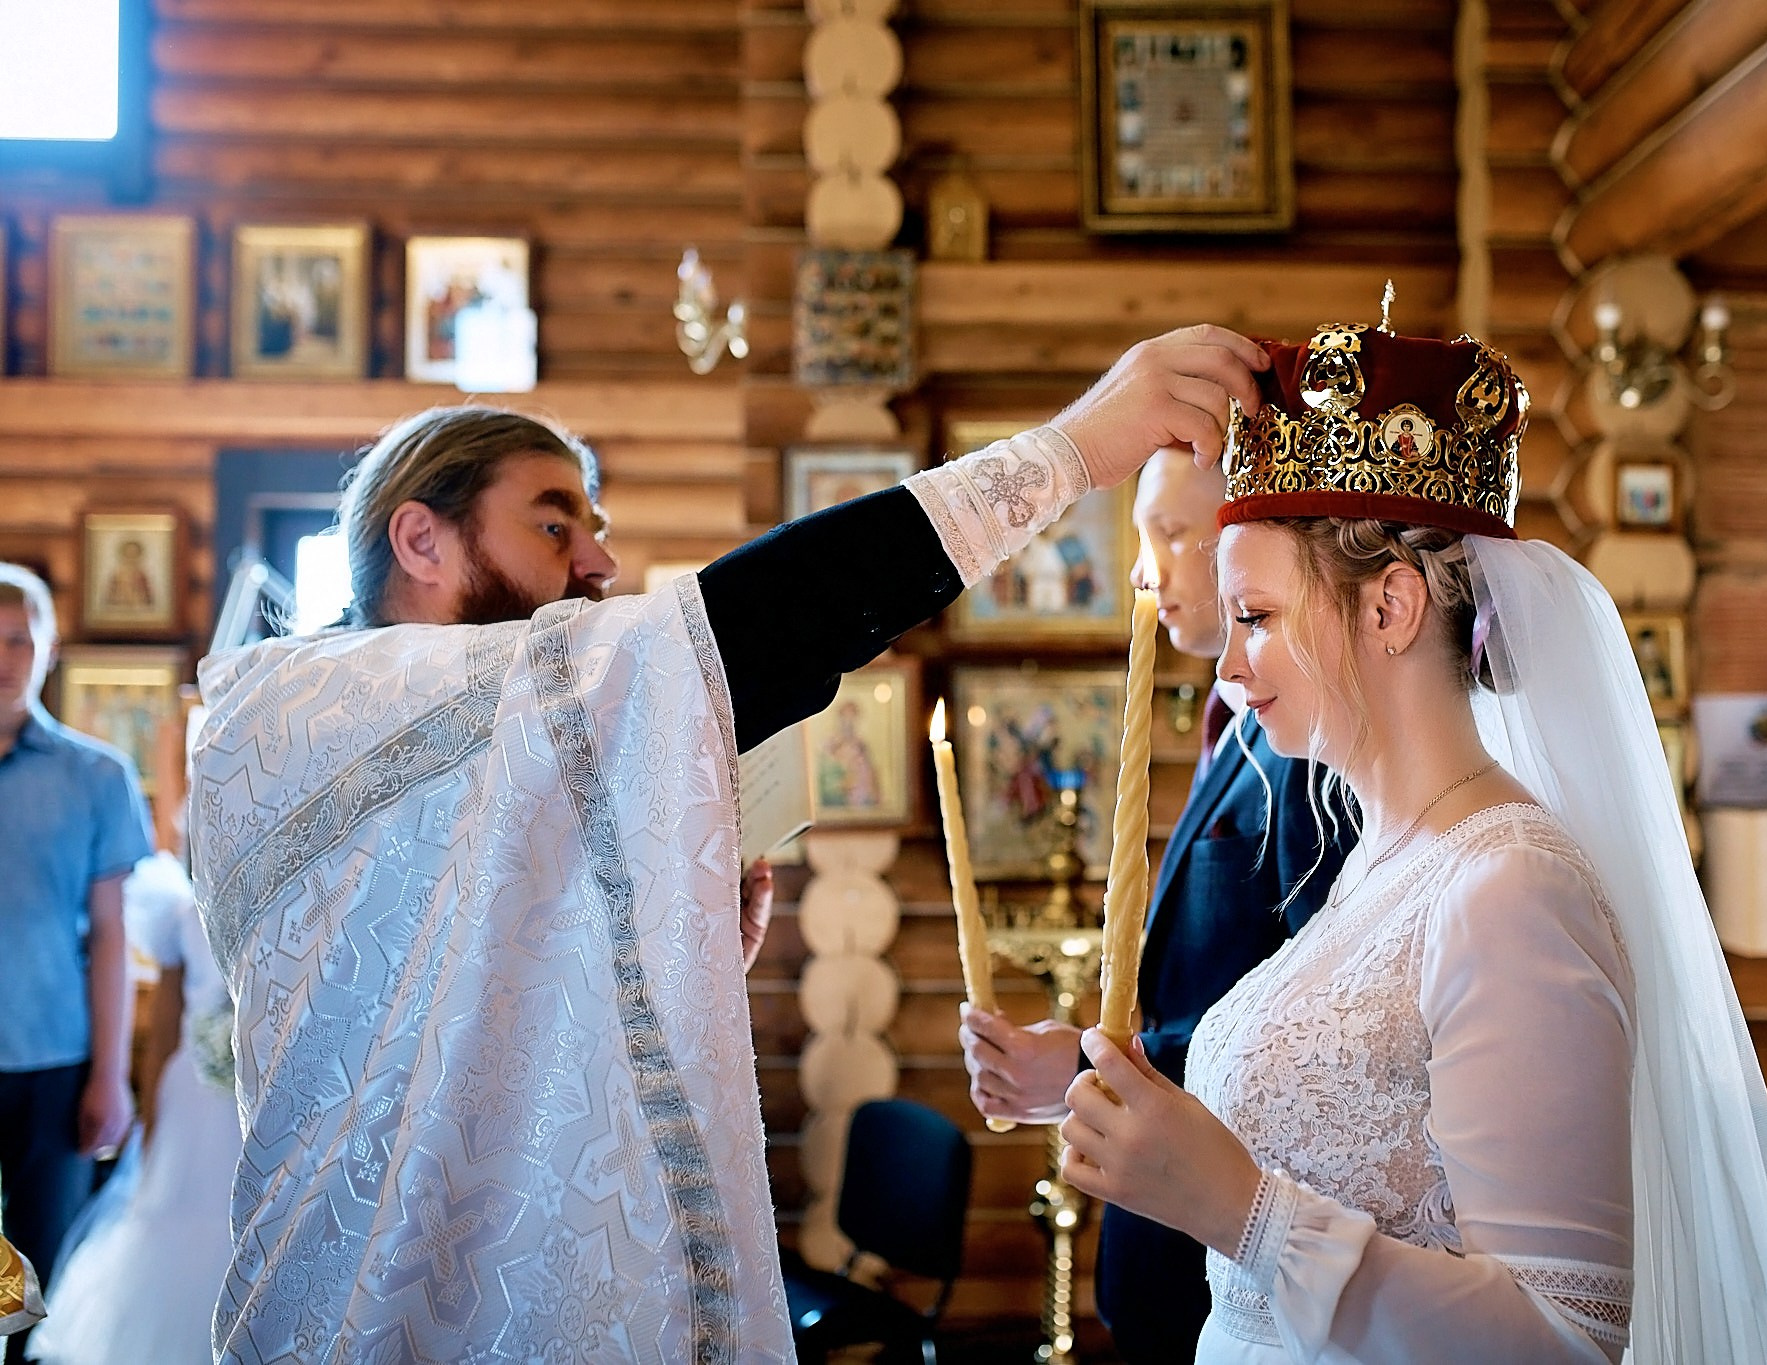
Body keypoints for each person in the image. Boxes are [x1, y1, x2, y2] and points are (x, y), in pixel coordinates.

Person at [187, 326, 1270, 1364]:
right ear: (420, 537)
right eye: (554, 523)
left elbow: (475, 1017)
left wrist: (678, 947)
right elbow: (768, 620)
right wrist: (1076, 447)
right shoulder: (298, 707)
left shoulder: (487, 751)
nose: (599, 560)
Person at [1054, 323, 1767, 1363]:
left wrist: (1237, 1210)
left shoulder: (1510, 889)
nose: (1226, 671)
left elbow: (1564, 1339)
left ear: (1388, 603)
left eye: (1254, 616)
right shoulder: (1377, 864)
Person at [959, 448, 1352, 1363]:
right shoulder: (1238, 727)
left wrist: (1099, 1068)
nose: (1143, 569)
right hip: (1169, 1246)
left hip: (1231, 1246)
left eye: (1173, 533)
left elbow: (1320, 1011)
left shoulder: (1308, 757)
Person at [0, 566, 153, 1365]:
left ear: (49, 649)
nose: (4, 658)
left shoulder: (97, 776)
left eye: (20, 639)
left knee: (32, 1269)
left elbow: (111, 934)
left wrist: (110, 1074)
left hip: (54, 1064)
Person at [28, 853, 238, 1365]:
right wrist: (150, 1119)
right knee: (170, 1203)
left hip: (249, 1099)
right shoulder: (184, 914)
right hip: (191, 1093)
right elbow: (166, 1023)